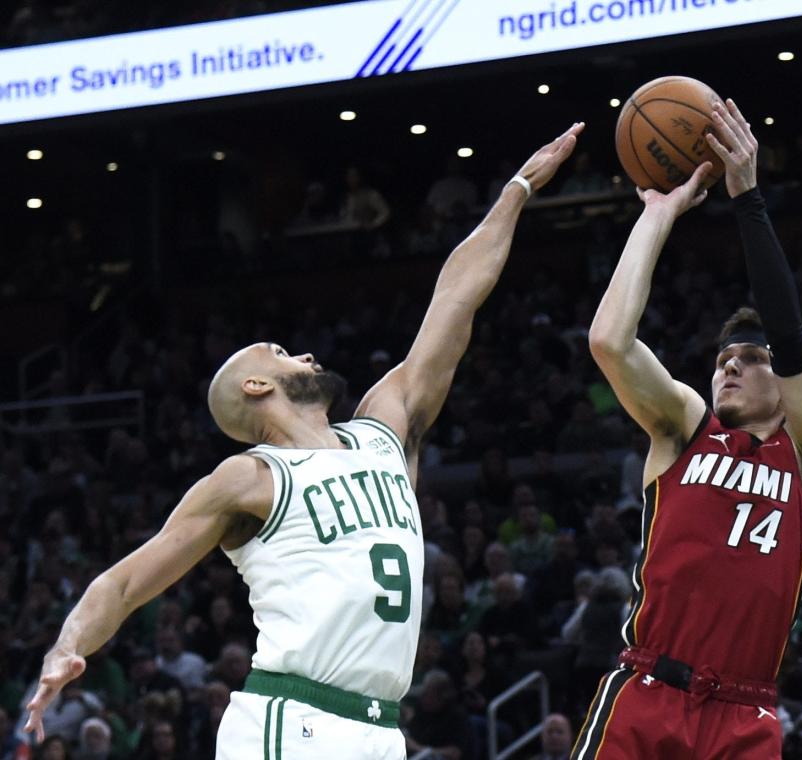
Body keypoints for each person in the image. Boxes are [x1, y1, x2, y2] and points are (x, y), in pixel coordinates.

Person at [23, 123, 585, 759]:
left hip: (377, 726)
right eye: (283, 352)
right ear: (258, 384)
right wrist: (68, 645)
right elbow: (125, 583)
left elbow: (454, 299)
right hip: (292, 719)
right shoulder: (249, 478)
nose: (307, 353)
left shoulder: (384, 432)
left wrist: (515, 189)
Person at [573, 99, 802, 759]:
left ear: (785, 382)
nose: (731, 366)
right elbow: (608, 339)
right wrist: (657, 217)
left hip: (745, 715)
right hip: (647, 690)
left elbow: (792, 337)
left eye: (751, 359)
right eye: (724, 358)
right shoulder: (683, 428)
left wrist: (746, 199)